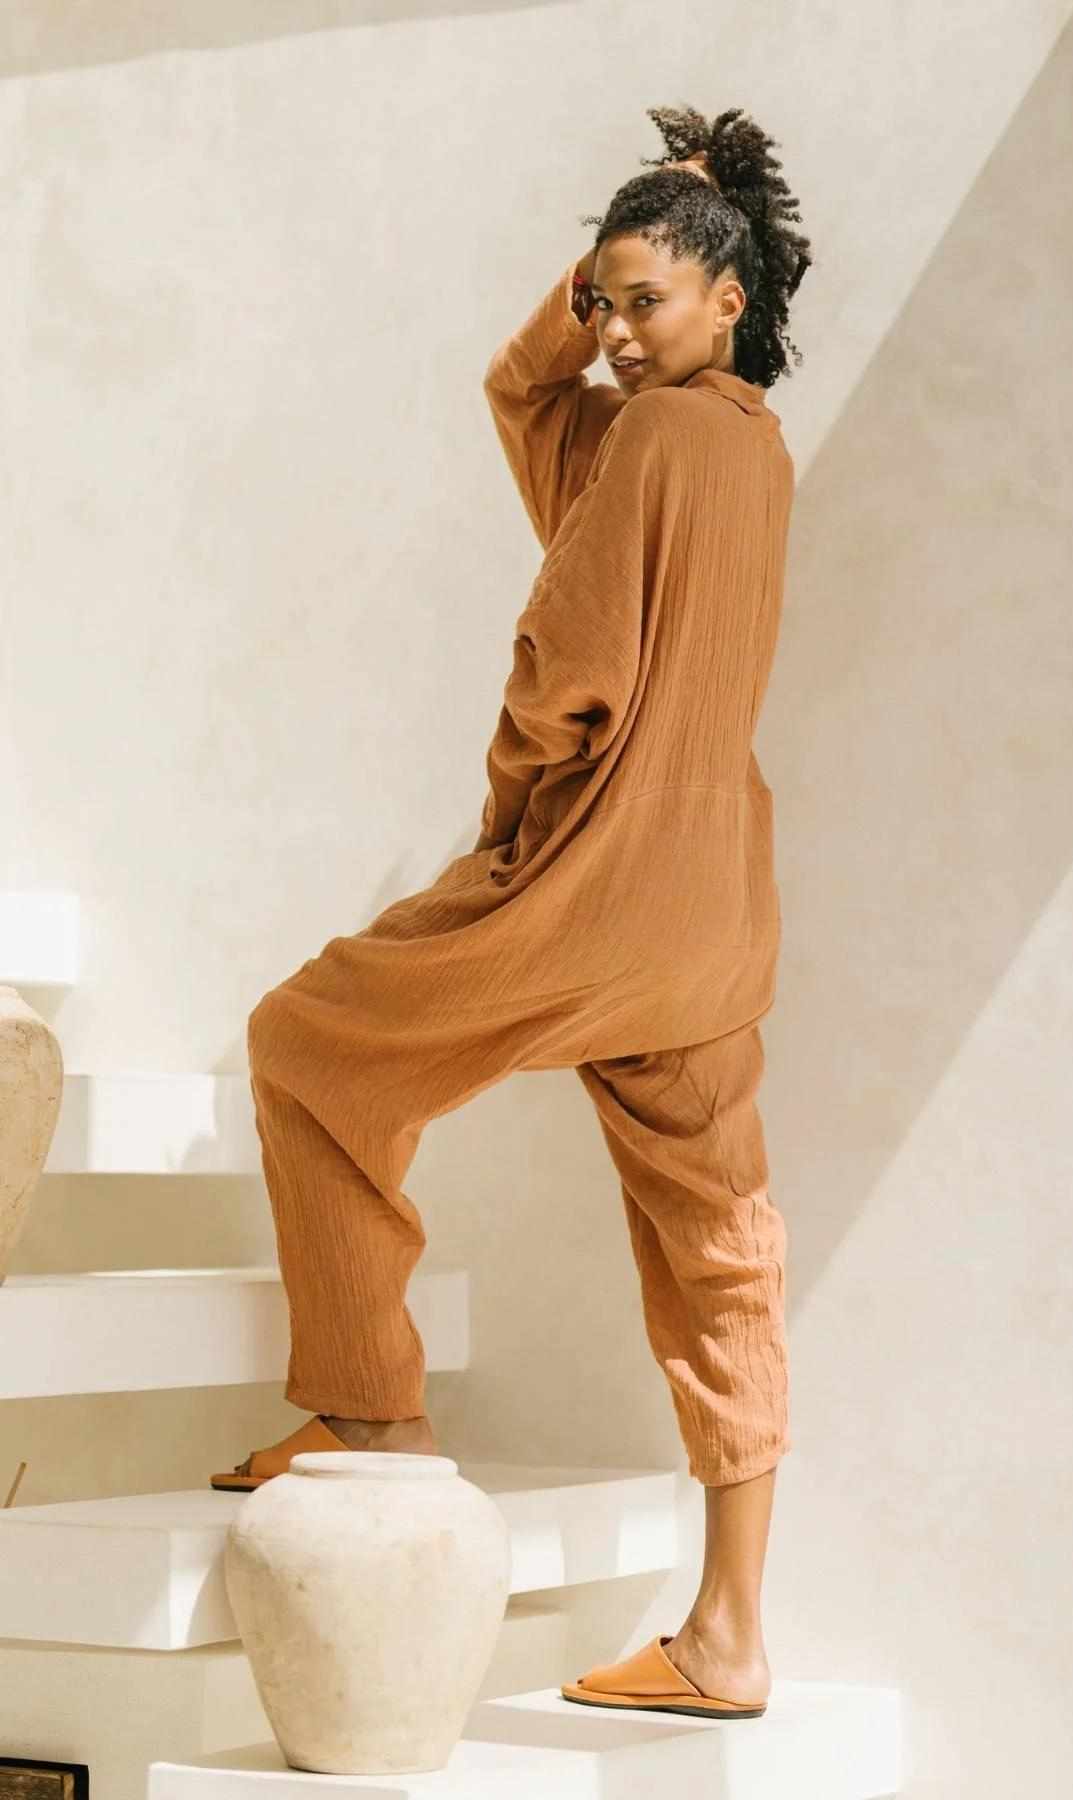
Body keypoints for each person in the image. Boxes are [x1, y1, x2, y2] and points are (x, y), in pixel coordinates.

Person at [211, 102, 813, 1718]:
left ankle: (368, 1406)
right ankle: (733, 1634)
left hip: (583, 894)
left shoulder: (653, 442)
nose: (609, 336)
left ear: (728, 301)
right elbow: (521, 387)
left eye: (645, 304)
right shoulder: (747, 445)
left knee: (307, 1045)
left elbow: (571, 670)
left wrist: (510, 812)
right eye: (598, 302)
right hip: (709, 925)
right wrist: (655, 239)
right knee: (720, 1258)